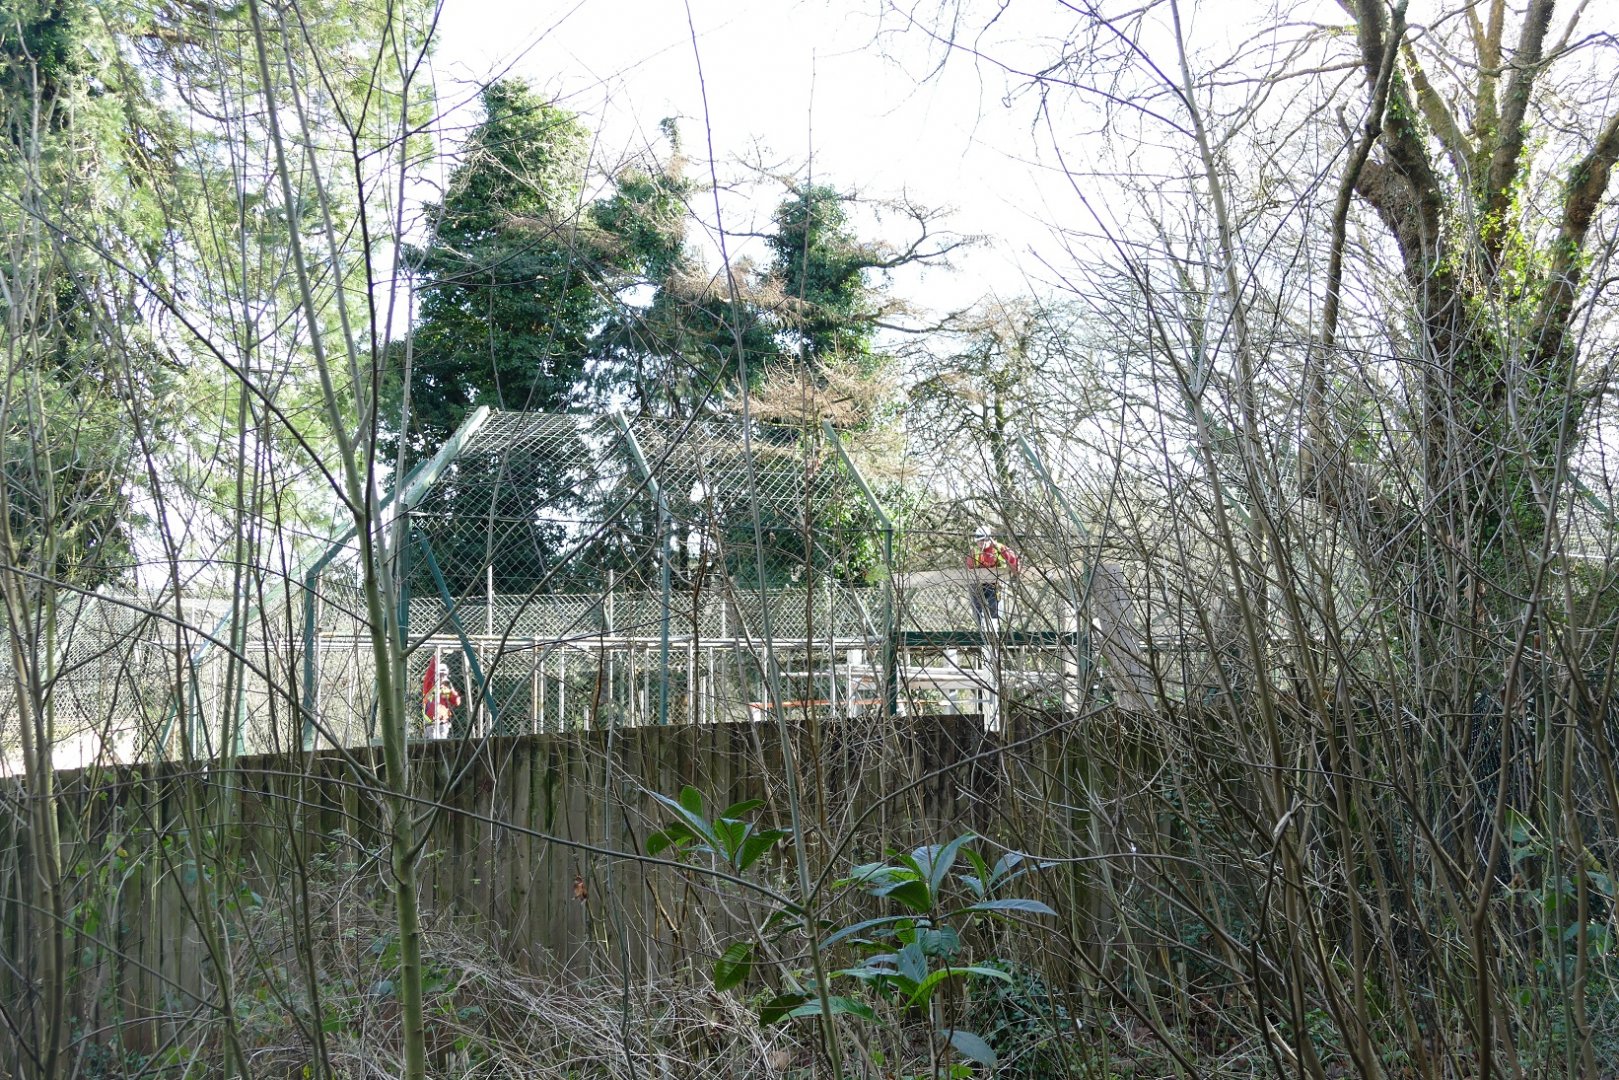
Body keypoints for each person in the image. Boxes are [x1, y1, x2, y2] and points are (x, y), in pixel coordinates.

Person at [967, 529, 1020, 622]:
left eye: (983, 540)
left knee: (994, 607)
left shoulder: (999, 549)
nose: (980, 543)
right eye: (979, 541)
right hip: (979, 584)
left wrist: (1014, 574)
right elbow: (969, 568)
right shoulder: (974, 552)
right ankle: (980, 628)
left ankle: (995, 628)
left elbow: (1014, 561)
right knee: (977, 607)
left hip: (996, 583)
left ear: (988, 539)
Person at [421, 654, 462, 739]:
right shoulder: (429, 687)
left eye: (444, 675)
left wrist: (450, 688)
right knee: (433, 745)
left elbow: (457, 701)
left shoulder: (444, 689)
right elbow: (430, 672)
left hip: (443, 723)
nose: (442, 677)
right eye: (440, 674)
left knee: (442, 745)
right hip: (431, 723)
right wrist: (436, 656)